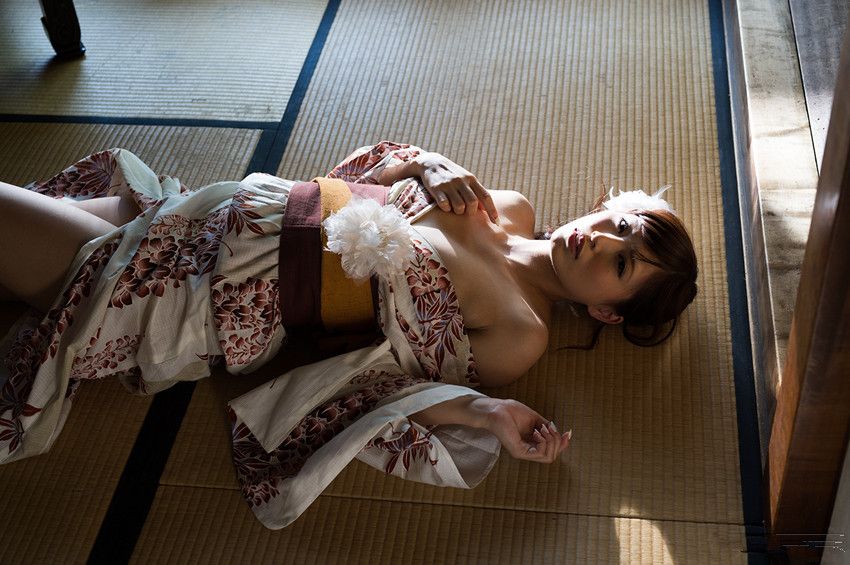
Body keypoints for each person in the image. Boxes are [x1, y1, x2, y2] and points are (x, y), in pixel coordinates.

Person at [0, 141, 697, 528]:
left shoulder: (522, 332)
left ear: (608, 312)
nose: (602, 240)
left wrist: (488, 413)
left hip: (198, 300)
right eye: (621, 224)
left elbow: (389, 386)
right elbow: (355, 181)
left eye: (622, 264)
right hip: (215, 213)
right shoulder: (509, 207)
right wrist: (424, 162)